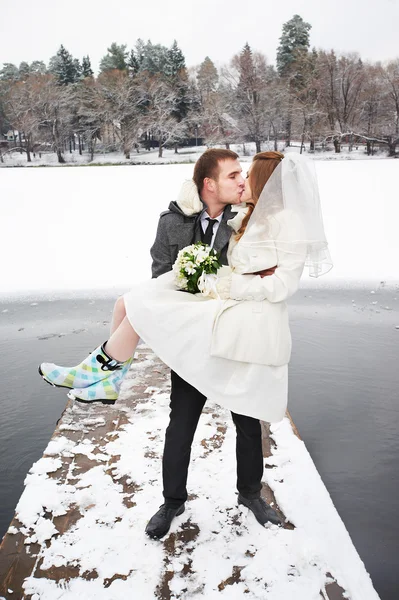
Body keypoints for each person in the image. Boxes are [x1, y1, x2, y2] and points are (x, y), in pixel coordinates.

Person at [39, 149, 332, 539]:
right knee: (181, 422)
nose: (242, 181)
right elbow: (162, 272)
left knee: (247, 423)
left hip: (239, 334)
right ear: (209, 185)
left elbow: (268, 274)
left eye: (245, 175)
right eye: (233, 176)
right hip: (197, 335)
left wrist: (224, 281)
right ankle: (172, 500)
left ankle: (250, 495)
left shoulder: (251, 216)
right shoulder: (177, 220)